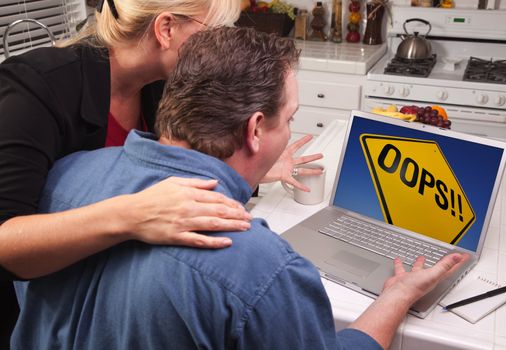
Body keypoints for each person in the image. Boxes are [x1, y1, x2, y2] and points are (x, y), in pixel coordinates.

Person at [12, 27, 468, 350]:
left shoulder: (65, 177)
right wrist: (397, 296)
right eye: (289, 119)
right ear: (254, 130)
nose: (289, 130)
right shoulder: (261, 268)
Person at [0, 0, 321, 343]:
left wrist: (253, 164)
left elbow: (178, 157)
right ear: (166, 28)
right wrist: (133, 214)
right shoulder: (36, 88)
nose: (220, 45)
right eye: (213, 31)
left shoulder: (162, 84)